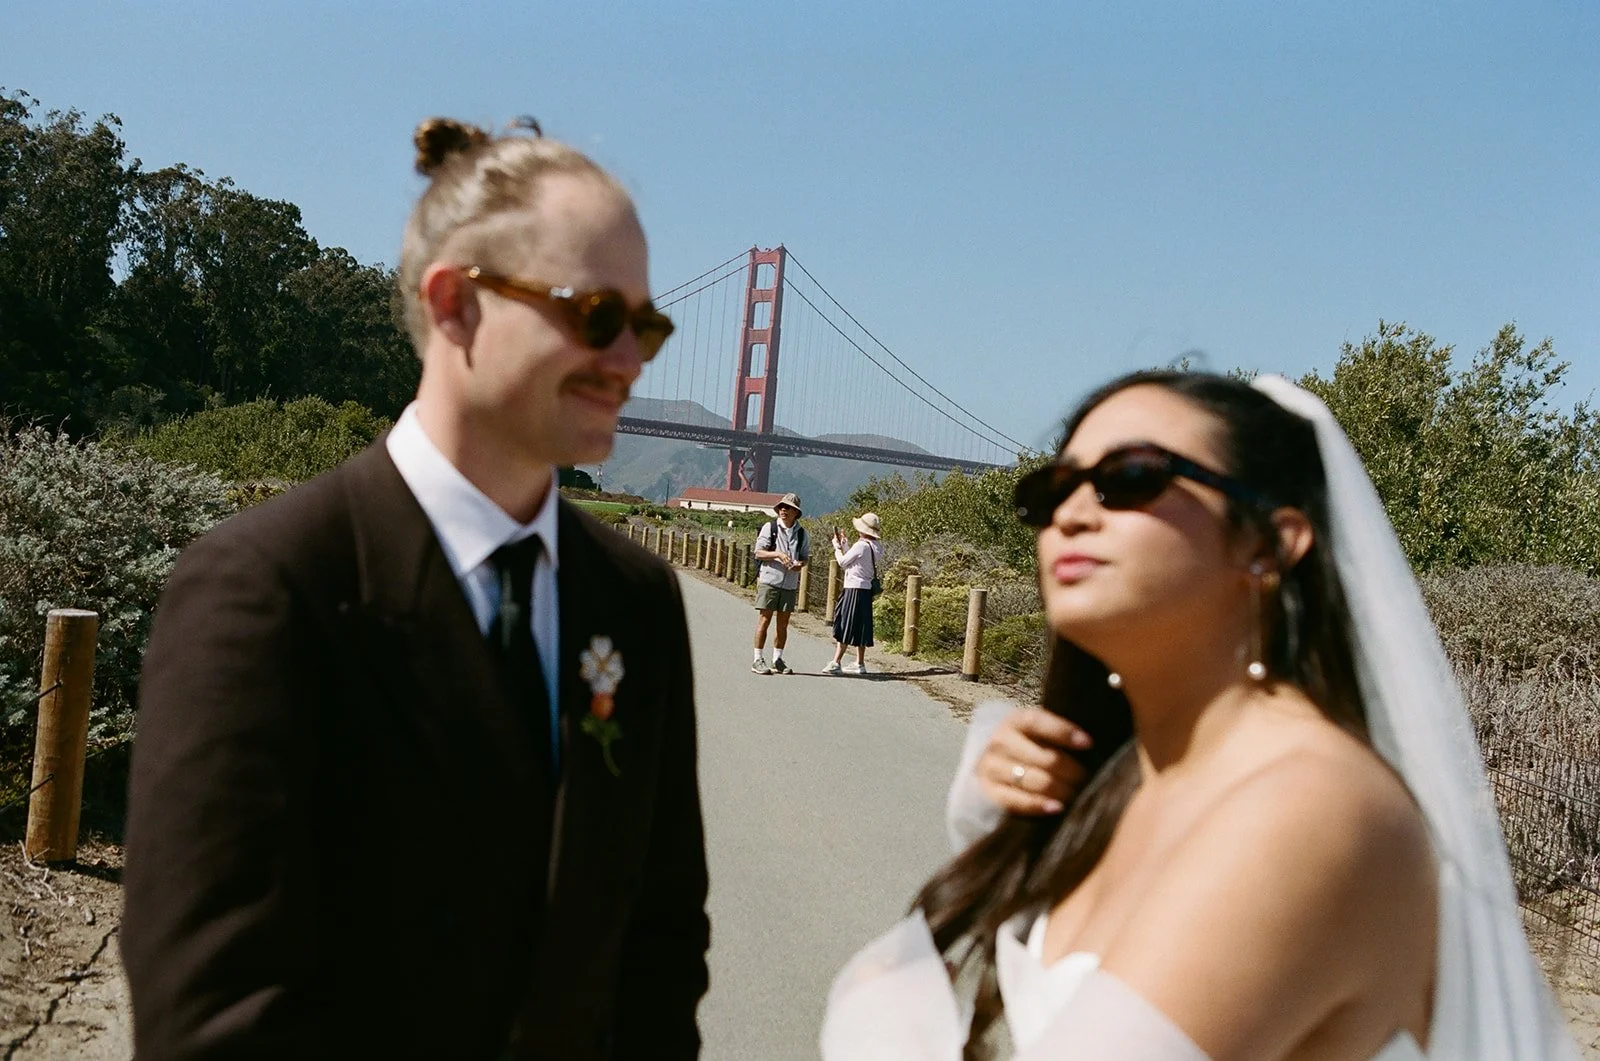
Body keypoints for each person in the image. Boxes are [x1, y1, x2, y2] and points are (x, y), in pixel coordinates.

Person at [122, 118, 711, 1060]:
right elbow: (215, 1012)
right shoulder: (267, 588)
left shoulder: (637, 599)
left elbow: (660, 941)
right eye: (598, 316)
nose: (632, 360)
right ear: (455, 304)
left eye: (648, 324)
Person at [823, 371, 1579, 1059]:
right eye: (1052, 490)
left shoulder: (1309, 809)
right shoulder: (1131, 782)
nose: (1072, 513)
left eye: (1131, 478)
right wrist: (999, 829)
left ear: (1271, 543)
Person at [751, 493, 808, 674]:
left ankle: (777, 659)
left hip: (790, 583)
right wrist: (777, 554)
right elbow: (758, 552)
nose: (783, 510)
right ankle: (757, 659)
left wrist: (799, 565)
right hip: (770, 580)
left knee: (783, 624)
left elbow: (805, 558)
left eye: (788, 507)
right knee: (765, 619)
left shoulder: (802, 534)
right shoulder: (770, 527)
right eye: (781, 507)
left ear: (795, 512)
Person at [823, 512, 884, 675]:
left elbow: (843, 562)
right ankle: (859, 662)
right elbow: (857, 561)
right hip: (865, 590)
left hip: (853, 588)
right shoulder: (876, 547)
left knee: (845, 622)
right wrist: (846, 546)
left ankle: (836, 661)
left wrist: (837, 547)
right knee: (861, 625)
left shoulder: (861, 545)